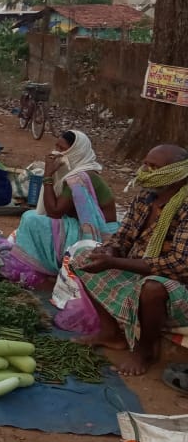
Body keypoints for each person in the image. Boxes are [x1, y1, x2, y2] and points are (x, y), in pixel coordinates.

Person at [72, 144, 188, 376]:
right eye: (145, 163)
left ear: (177, 173)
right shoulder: (145, 198)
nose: (145, 170)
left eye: (154, 167)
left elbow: (179, 265)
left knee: (153, 288)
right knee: (83, 256)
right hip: (138, 270)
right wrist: (110, 252)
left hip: (176, 285)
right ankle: (111, 334)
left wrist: (115, 263)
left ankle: (145, 350)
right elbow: (122, 238)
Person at [2, 131, 118, 287]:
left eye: (61, 148)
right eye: (56, 146)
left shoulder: (79, 178)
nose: (55, 152)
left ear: (75, 152)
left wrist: (48, 175)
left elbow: (54, 212)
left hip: (98, 232)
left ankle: (47, 268)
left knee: (31, 220)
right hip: (82, 224)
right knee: (32, 218)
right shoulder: (78, 171)